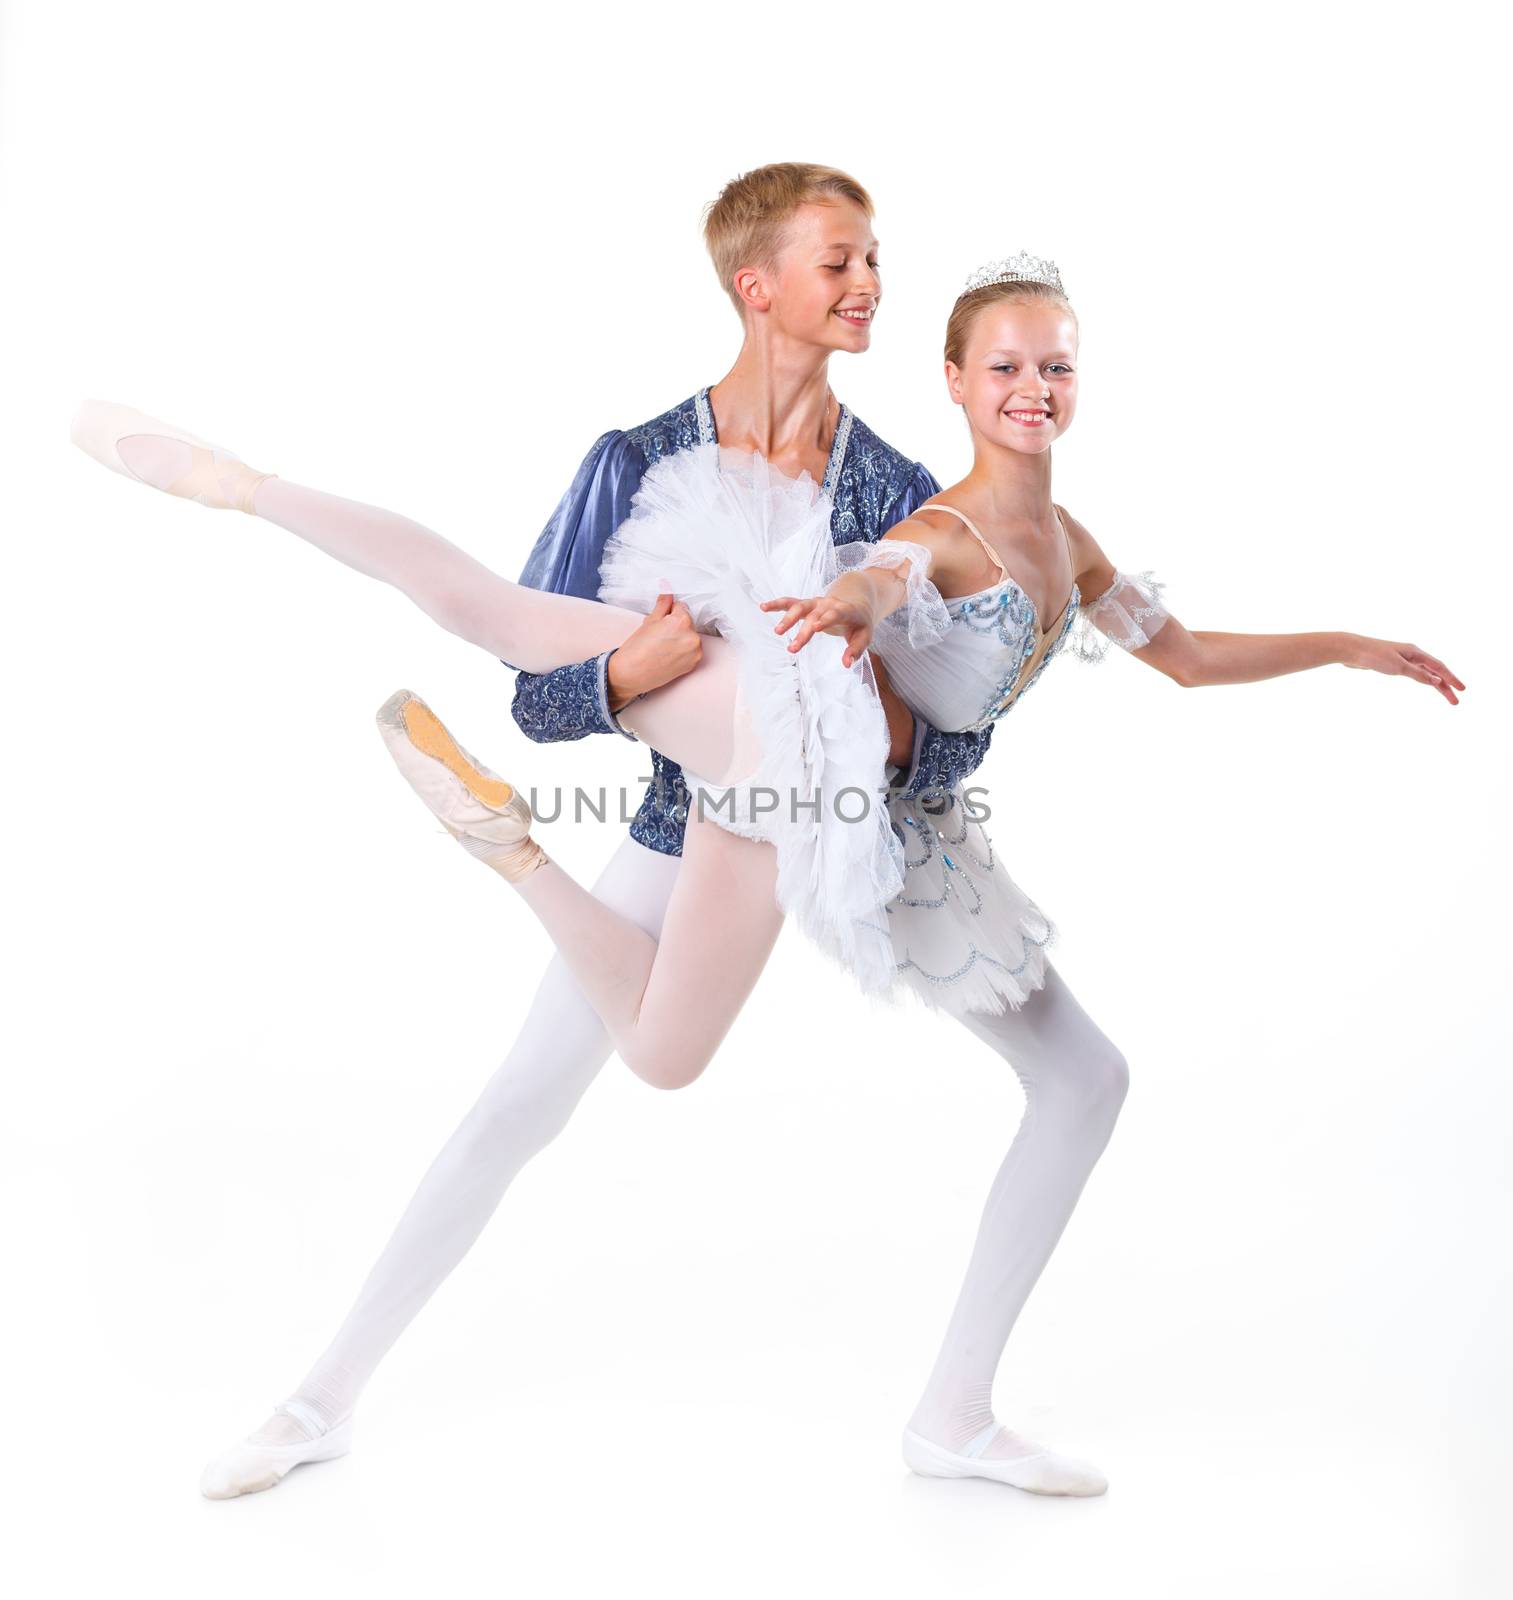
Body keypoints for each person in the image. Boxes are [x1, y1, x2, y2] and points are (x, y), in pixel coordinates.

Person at [70, 206, 1463, 1504]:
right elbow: (883, 576)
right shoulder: (909, 512)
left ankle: (950, 1414)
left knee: (1027, 1075)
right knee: (503, 649)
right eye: (1004, 365)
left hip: (842, 810)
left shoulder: (1056, 534)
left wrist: (1350, 646)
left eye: (1055, 365)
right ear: (955, 377)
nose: (1032, 386)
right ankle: (240, 485)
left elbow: (1190, 656)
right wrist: (806, 620)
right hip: (765, 727)